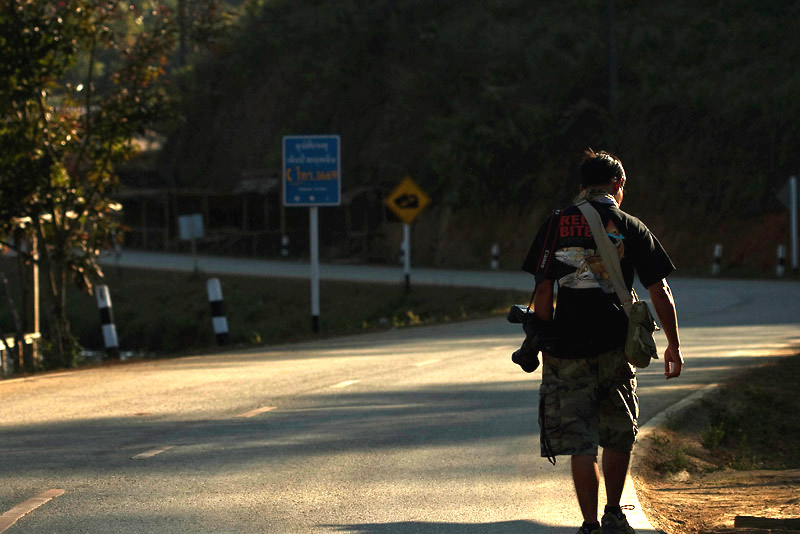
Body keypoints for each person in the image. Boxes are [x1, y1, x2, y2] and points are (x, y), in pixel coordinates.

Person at [520, 148, 684, 534]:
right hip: (616, 345)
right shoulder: (630, 224)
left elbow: (543, 291)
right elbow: (659, 289)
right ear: (618, 184)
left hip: (566, 349)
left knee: (581, 440)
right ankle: (613, 513)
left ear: (582, 187)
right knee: (617, 432)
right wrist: (673, 344)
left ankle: (590, 525)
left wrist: (542, 337)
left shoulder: (556, 223)